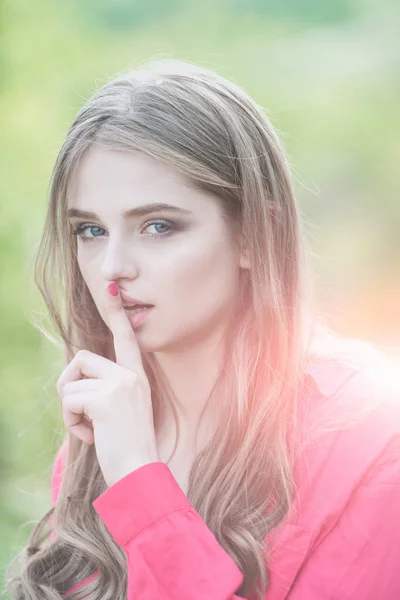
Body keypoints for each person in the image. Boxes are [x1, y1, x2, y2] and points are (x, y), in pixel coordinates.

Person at [5, 58, 400, 600]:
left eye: (158, 226)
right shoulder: (109, 428)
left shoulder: (373, 437)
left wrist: (141, 488)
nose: (112, 266)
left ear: (253, 235)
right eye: (91, 230)